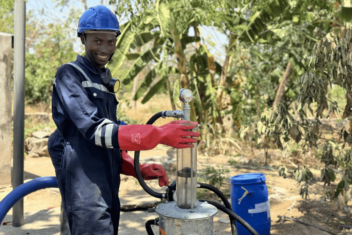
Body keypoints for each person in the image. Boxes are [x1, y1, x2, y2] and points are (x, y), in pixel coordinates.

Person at [48, 5, 199, 235]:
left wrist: (137, 168)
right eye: (97, 41)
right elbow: (96, 130)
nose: (105, 48)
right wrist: (158, 134)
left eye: (111, 41)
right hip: (85, 191)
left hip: (107, 188)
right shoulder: (70, 74)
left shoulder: (103, 80)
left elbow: (111, 138)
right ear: (83, 38)